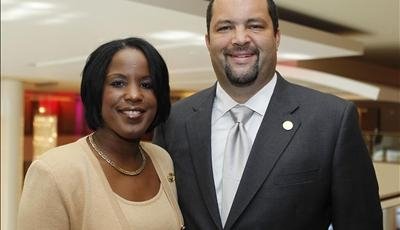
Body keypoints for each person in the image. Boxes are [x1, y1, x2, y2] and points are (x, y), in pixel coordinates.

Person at [153, 0, 383, 229]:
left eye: (254, 26)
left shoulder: (332, 120)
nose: (240, 39)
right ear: (208, 41)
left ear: (277, 37)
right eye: (225, 27)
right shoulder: (173, 120)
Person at [18, 37, 185, 230]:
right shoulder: (55, 171)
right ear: (96, 91)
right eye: (118, 83)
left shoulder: (162, 160)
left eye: (147, 85)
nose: (134, 94)